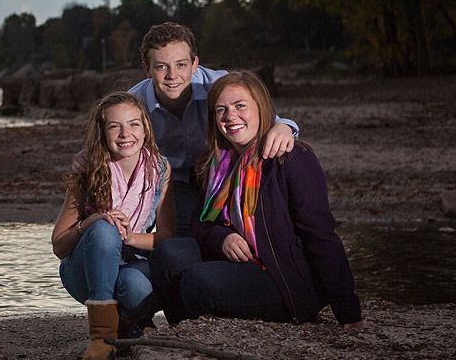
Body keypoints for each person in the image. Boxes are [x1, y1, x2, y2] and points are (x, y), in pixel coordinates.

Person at [150, 70, 363, 328]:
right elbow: (199, 224)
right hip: (238, 263)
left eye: (240, 106)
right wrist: (222, 237)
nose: (230, 117)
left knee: (198, 280)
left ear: (261, 108)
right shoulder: (215, 163)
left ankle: (200, 321)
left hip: (283, 278)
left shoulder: (292, 158)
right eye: (221, 110)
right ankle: (183, 329)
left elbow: (321, 235)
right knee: (167, 254)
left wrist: (348, 312)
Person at [129, 22, 299, 235]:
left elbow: (267, 120)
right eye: (161, 66)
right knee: (184, 234)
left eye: (181, 65)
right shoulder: (133, 105)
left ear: (195, 64)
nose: (172, 75)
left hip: (223, 172)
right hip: (173, 181)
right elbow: (107, 141)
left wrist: (283, 127)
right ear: (147, 68)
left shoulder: (221, 85)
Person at [52, 91, 176, 360]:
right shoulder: (88, 170)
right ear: (102, 132)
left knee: (136, 287)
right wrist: (90, 222)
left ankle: (128, 323)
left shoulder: (160, 170)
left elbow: (166, 236)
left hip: (131, 262)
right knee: (105, 227)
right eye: (114, 126)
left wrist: (131, 237)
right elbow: (59, 246)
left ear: (146, 129)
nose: (125, 133)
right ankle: (101, 339)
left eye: (133, 124)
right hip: (84, 272)